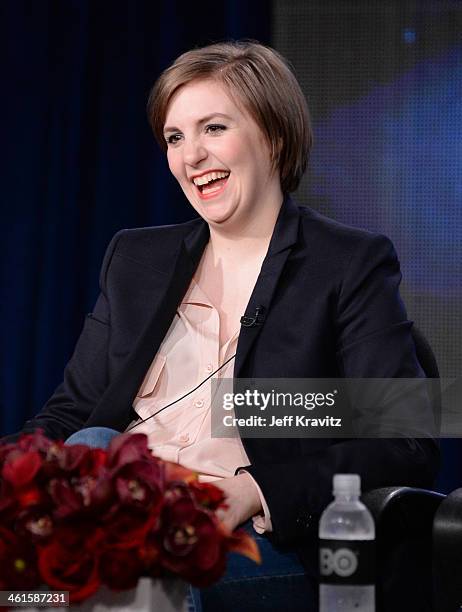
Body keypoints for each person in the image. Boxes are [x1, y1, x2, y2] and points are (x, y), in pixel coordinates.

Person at [8, 40, 439, 610]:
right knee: (83, 462)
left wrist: (254, 490)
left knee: (98, 588)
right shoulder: (137, 260)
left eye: (213, 128)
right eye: (175, 137)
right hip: (122, 522)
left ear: (274, 134)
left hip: (248, 539)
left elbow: (403, 440)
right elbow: (71, 413)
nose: (191, 157)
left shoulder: (346, 264)